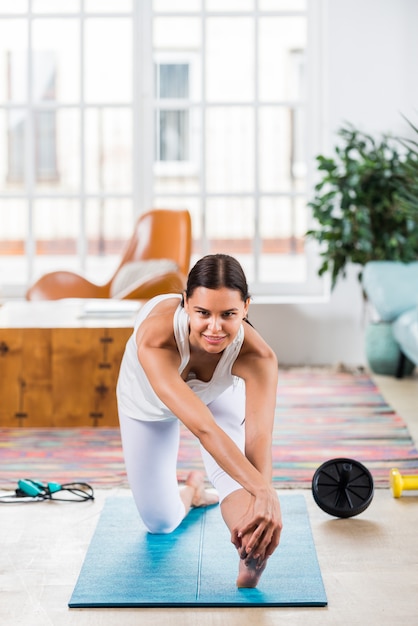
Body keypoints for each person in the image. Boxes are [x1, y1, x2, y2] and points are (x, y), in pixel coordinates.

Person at [116, 253, 282, 588]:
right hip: (147, 404)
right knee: (160, 522)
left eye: (229, 314)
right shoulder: (156, 338)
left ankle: (251, 555)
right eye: (203, 313)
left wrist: (260, 509)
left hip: (216, 394)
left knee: (241, 476)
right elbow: (204, 429)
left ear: (246, 308)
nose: (215, 328)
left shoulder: (257, 356)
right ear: (185, 304)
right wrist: (264, 491)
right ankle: (191, 492)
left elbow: (258, 437)